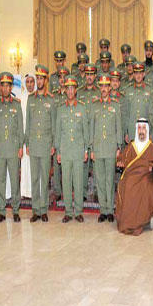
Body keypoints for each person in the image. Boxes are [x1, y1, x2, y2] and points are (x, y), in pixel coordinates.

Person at [116, 119, 153, 235]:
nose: (141, 131)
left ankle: (137, 222)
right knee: (126, 184)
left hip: (147, 177)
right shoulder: (131, 146)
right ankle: (127, 221)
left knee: (142, 186)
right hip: (131, 176)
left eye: (144, 128)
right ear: (137, 130)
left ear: (147, 130)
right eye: (139, 128)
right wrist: (120, 162)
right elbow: (121, 160)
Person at [55, 76, 89, 223]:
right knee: (66, 182)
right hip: (65, 150)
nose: (70, 91)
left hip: (78, 150)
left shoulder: (82, 108)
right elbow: (58, 132)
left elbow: (85, 131)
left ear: (76, 90)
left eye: (72, 88)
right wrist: (58, 151)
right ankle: (68, 211)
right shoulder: (60, 109)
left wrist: (86, 150)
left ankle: (79, 211)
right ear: (65, 91)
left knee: (78, 181)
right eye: (67, 88)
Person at [0, 72, 24, 223]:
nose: (5, 89)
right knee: (1, 180)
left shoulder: (16, 105)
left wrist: (20, 146)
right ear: (0, 87)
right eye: (2, 86)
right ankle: (1, 211)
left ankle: (16, 210)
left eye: (7, 86)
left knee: (15, 180)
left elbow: (20, 127)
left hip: (13, 148)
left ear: (11, 87)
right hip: (0, 149)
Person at [90, 74, 122, 223]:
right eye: (101, 86)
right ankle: (103, 210)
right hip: (98, 148)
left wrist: (119, 146)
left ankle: (110, 209)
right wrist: (91, 148)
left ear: (110, 88)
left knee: (110, 180)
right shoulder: (94, 106)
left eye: (106, 86)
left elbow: (118, 127)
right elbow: (91, 128)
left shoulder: (115, 105)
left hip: (110, 148)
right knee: (100, 180)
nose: (103, 89)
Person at [25, 65, 56, 223]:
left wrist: (53, 144)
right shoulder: (31, 99)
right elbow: (28, 123)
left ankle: (44, 209)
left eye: (41, 78)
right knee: (34, 178)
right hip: (34, 144)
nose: (38, 81)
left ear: (46, 80)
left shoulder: (51, 100)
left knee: (44, 178)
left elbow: (54, 124)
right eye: (37, 78)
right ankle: (35, 210)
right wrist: (27, 143)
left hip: (45, 144)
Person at [19, 73, 35, 199]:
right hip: (24, 135)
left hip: (36, 136)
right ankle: (24, 191)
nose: (29, 84)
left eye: (31, 81)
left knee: (34, 165)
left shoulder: (38, 97)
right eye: (27, 82)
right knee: (24, 163)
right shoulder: (21, 98)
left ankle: (34, 191)